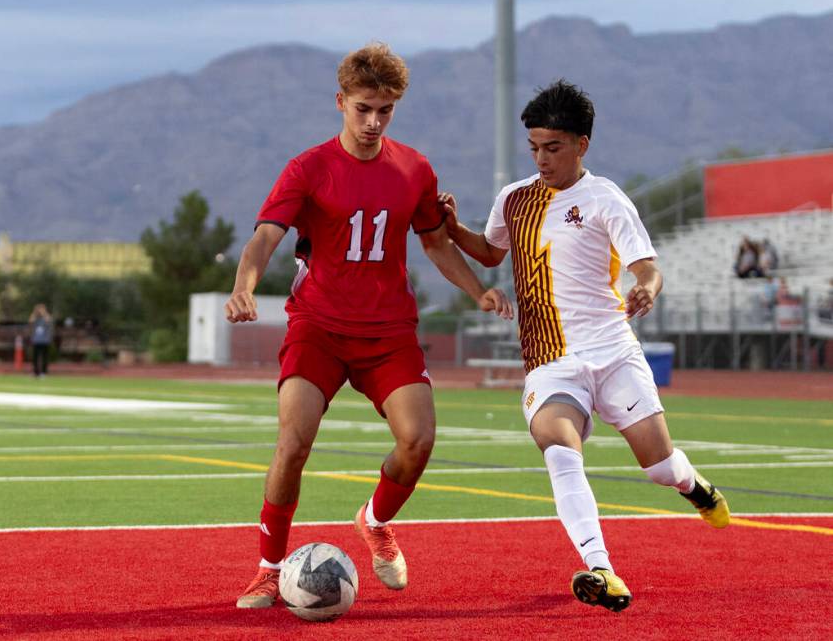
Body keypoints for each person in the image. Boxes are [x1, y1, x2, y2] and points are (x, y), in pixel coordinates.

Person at [226, 42, 510, 609]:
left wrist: (478, 290)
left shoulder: (414, 169)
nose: (374, 121)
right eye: (363, 108)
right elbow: (265, 237)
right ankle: (267, 568)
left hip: (388, 334)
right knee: (293, 443)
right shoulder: (308, 168)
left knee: (419, 440)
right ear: (341, 102)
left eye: (385, 110)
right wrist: (243, 287)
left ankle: (375, 520)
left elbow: (434, 241)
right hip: (319, 329)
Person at [442, 80, 729, 613]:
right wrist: (449, 225)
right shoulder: (515, 199)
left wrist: (646, 288)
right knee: (559, 450)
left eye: (553, 147)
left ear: (582, 145)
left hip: (614, 353)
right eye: (534, 147)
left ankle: (693, 486)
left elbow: (646, 266)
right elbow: (488, 252)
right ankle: (603, 568)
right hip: (550, 364)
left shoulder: (605, 200)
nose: (542, 158)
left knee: (658, 467)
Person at [28, 304, 54, 378]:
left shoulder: (46, 317)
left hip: (45, 341)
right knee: (35, 357)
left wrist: (44, 313)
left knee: (44, 357)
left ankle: (44, 372)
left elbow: (48, 320)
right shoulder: (36, 318)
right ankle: (35, 372)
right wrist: (35, 312)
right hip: (36, 340)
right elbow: (30, 321)